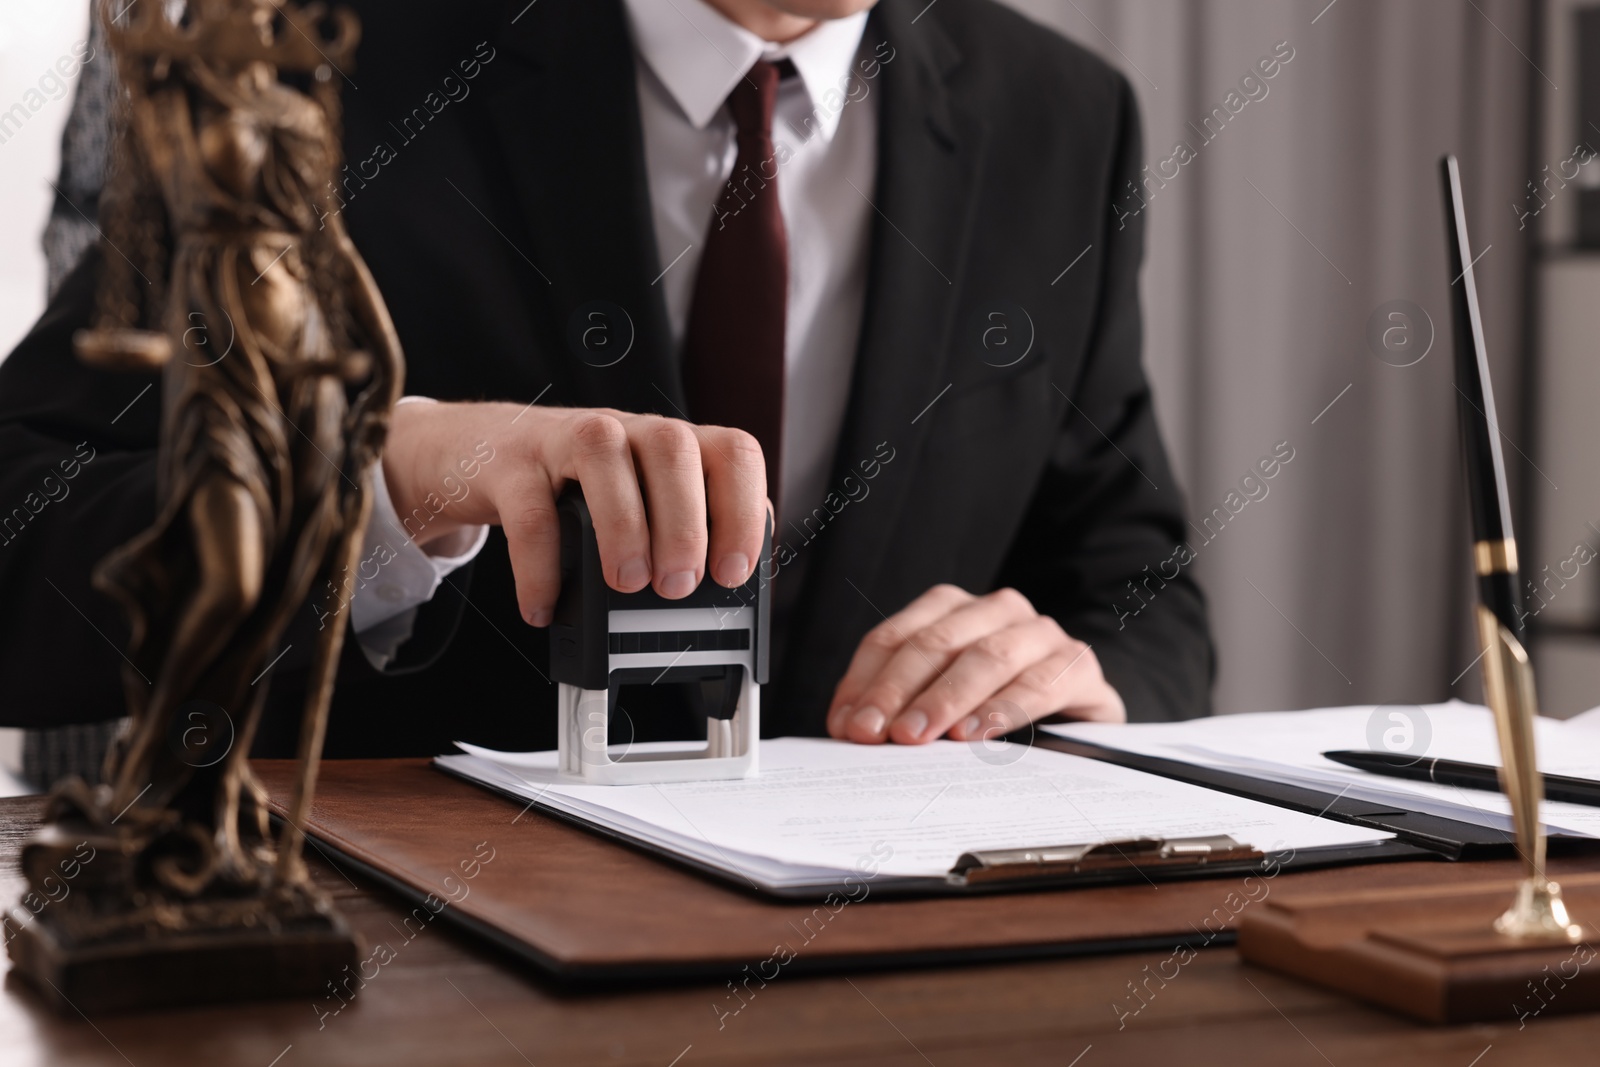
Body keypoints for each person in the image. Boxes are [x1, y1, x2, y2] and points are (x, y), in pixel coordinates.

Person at [0, 0, 1212, 763]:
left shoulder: (1064, 113)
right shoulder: (313, 65)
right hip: (409, 986)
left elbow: (1136, 582)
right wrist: (375, 479)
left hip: (891, 975)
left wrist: (1077, 671)